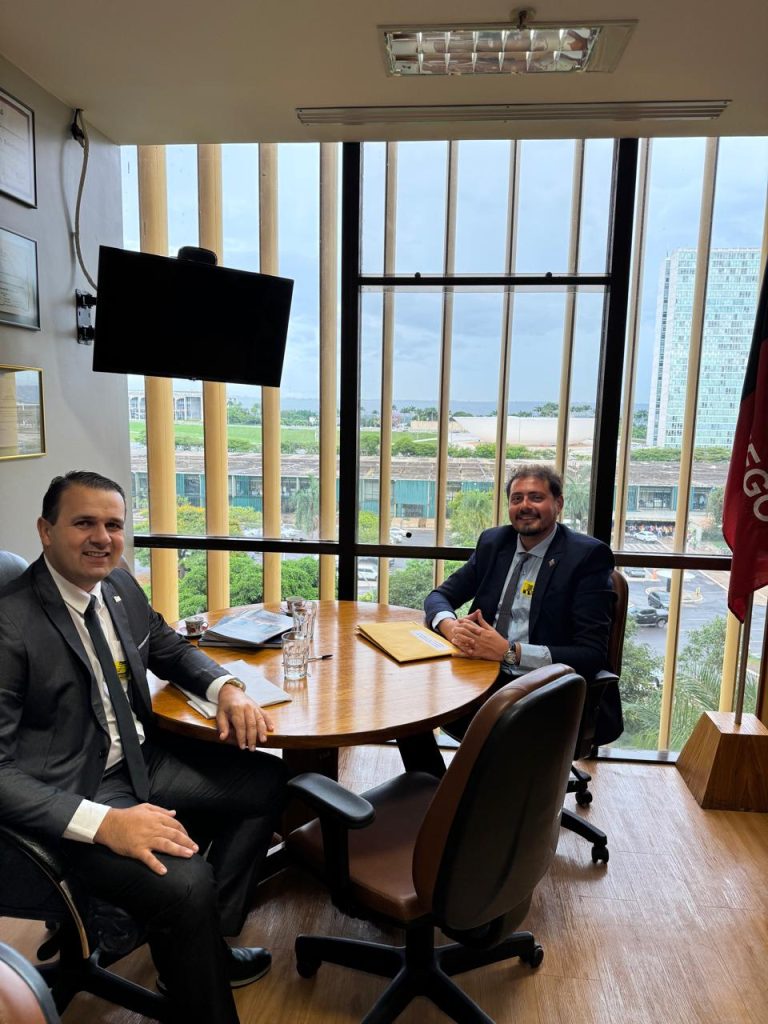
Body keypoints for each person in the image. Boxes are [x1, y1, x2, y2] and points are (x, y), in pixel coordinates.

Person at [0, 471, 287, 1024]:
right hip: (74, 790)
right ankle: (196, 966)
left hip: (138, 759)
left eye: (113, 525)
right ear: (46, 530)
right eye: (84, 523)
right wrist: (106, 823)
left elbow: (167, 646)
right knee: (186, 883)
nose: (102, 538)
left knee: (266, 782)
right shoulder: (9, 623)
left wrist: (226, 687)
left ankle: (201, 946)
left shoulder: (118, 584)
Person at [422, 464, 622, 750]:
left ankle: (466, 779)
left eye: (536, 497)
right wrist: (451, 627)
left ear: (558, 504)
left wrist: (509, 652)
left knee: (489, 734)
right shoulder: (494, 543)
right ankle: (434, 777)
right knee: (414, 700)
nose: (525, 506)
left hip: (544, 690)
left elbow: (591, 655)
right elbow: (439, 597)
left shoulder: (586, 557)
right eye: (517, 498)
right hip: (482, 676)